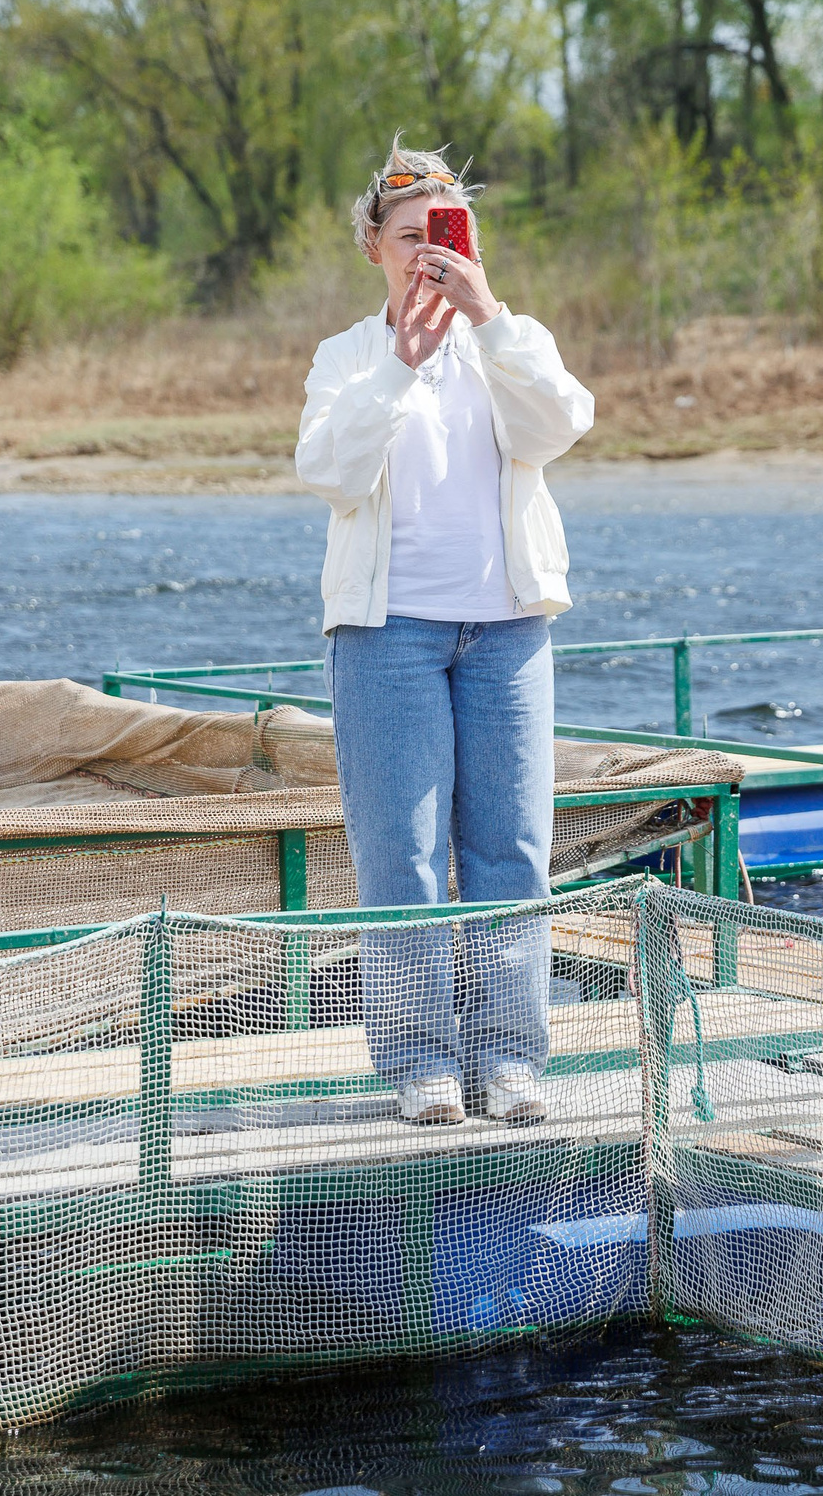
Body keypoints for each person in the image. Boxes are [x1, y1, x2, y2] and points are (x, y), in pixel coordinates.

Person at [296, 143, 594, 1128]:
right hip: (387, 634)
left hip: (506, 631)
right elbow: (331, 473)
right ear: (374, 246)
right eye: (413, 236)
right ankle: (420, 1059)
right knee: (402, 854)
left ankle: (512, 1056)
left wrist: (488, 317)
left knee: (511, 848)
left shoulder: (512, 337)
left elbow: (558, 425)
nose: (432, 254)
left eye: (450, 236)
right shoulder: (347, 355)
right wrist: (398, 367)